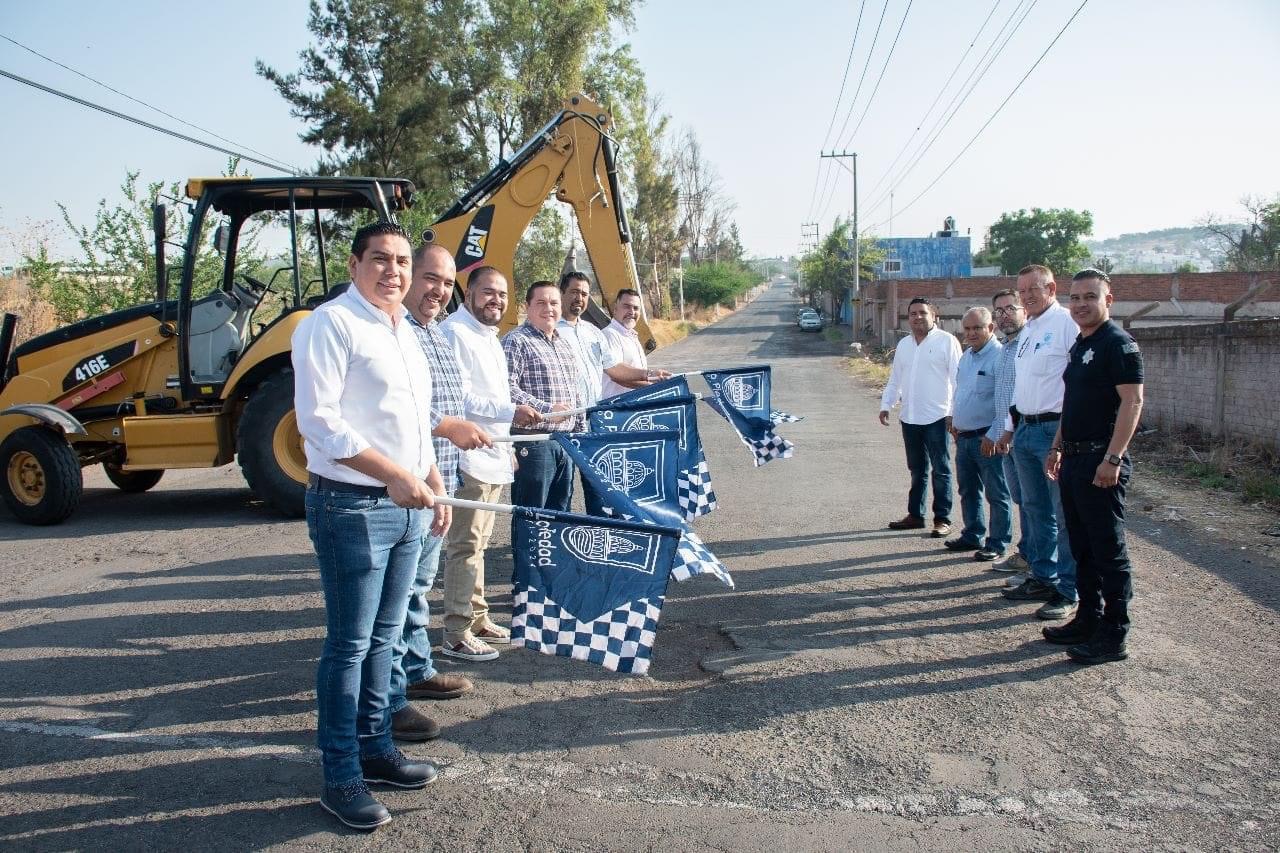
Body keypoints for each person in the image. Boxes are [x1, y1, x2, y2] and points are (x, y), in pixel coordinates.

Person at [292, 222, 447, 830]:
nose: (394, 272)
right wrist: (392, 476)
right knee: (350, 645)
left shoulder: (404, 331)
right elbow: (320, 423)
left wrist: (432, 483)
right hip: (352, 506)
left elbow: (416, 420)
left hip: (406, 504)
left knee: (385, 640)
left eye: (403, 262)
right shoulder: (329, 325)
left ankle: (377, 747)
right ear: (355, 264)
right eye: (380, 259)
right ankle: (340, 775)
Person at [388, 244, 491, 733]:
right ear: (410, 277)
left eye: (447, 283)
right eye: (431, 278)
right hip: (404, 487)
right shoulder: (395, 332)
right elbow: (396, 408)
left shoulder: (436, 335)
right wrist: (449, 425)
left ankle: (416, 670)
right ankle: (390, 693)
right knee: (401, 592)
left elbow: (458, 400)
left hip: (441, 480)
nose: (439, 291)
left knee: (419, 587)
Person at [440, 266, 540, 662]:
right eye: (487, 292)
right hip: (469, 458)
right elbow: (461, 400)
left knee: (479, 544)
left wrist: (509, 445)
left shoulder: (488, 337)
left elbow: (493, 397)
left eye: (501, 294)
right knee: (464, 546)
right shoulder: (455, 334)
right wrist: (512, 411)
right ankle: (457, 631)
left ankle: (478, 618)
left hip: (493, 453)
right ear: (468, 295)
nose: (496, 300)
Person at [1043, 269, 1144, 664]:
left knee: (1107, 550)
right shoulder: (1080, 344)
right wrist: (1057, 447)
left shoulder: (1118, 344)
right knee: (1081, 546)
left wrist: (1113, 458)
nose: (1081, 304)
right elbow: (1072, 402)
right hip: (1074, 456)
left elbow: (1133, 403)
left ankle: (1114, 634)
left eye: (1090, 296)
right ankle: (1088, 618)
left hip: (1102, 459)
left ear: (1108, 300)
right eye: (1076, 297)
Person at [1000, 264, 1080, 621]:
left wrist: (1062, 439)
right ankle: (1042, 576)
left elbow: (1077, 385)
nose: (1028, 295)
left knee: (1064, 514)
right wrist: (1008, 427)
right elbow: (1021, 387)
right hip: (1025, 429)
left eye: (1035, 288)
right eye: (1022, 290)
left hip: (1054, 431)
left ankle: (1068, 589)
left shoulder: (1066, 324)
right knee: (1034, 510)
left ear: (1051, 288)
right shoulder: (1029, 330)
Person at [879, 297, 962, 537]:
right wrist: (887, 404)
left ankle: (942, 519)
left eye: (922, 313)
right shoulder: (904, 344)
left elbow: (958, 380)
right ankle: (916, 515)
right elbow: (896, 378)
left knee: (941, 469)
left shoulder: (947, 342)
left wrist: (953, 413)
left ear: (934, 316)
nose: (917, 317)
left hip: (938, 417)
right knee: (917, 469)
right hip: (910, 417)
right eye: (913, 313)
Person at [503, 280, 581, 511]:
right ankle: (528, 549)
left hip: (565, 442)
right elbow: (506, 388)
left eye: (554, 303)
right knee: (532, 514)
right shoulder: (515, 341)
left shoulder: (564, 344)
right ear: (527, 306)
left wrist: (580, 434)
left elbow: (574, 392)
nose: (549, 308)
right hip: (534, 443)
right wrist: (547, 411)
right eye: (541, 302)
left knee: (560, 513)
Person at [946, 307, 1012, 560]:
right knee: (968, 490)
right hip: (964, 437)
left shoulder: (999, 357)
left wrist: (994, 435)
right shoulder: (967, 356)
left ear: (991, 328)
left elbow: (1005, 401)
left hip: (987, 438)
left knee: (997, 493)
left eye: (977, 328)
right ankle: (972, 534)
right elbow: (961, 391)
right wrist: (953, 418)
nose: (972, 333)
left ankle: (997, 543)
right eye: (968, 329)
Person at [557, 272, 662, 407]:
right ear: (561, 293)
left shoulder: (593, 332)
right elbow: (617, 379)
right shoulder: (550, 331)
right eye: (574, 292)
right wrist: (652, 385)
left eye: (584, 294)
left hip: (594, 415)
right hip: (566, 415)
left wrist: (651, 375)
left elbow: (615, 369)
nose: (579, 298)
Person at [988, 290, 1033, 580]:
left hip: (1027, 435)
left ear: (1024, 311)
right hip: (1008, 438)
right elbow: (1002, 398)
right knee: (1022, 500)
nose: (1004, 315)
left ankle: (1038, 564)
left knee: (1035, 504)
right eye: (999, 311)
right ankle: (1028, 555)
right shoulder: (1005, 349)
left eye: (1010, 308)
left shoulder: (1029, 345)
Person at [600, 288, 653, 400]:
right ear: (615, 309)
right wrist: (653, 385)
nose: (632, 312)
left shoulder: (631, 336)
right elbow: (618, 376)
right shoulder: (610, 335)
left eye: (636, 308)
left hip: (632, 407)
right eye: (626, 306)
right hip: (617, 409)